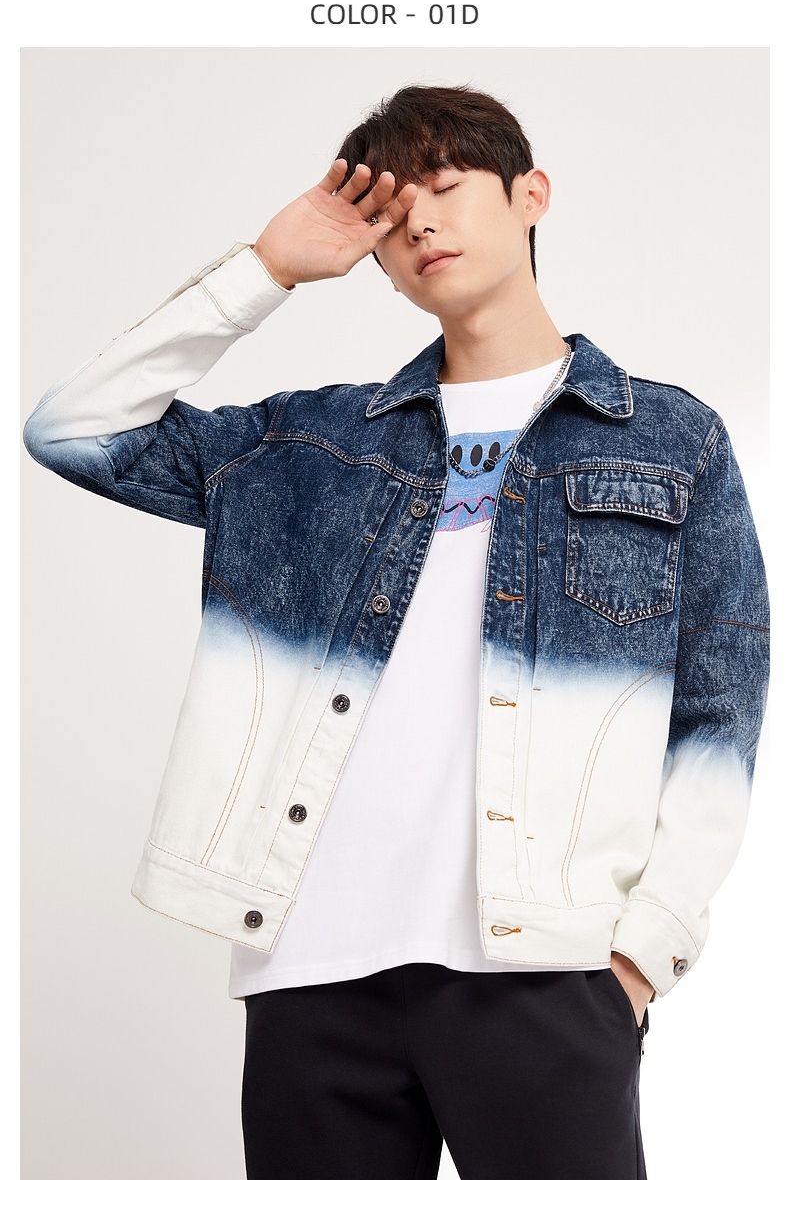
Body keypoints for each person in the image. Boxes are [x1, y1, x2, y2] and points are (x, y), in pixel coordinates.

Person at [23, 84, 769, 1180]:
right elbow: (71, 430)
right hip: (311, 971)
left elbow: (718, 712)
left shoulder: (668, 437)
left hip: (545, 971)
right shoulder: (309, 442)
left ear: (531, 195)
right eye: (389, 209)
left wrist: (641, 952)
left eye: (446, 186)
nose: (419, 220)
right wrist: (266, 269)